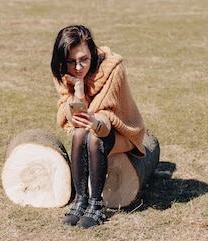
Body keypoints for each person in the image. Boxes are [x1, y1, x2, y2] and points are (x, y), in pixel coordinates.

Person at [51, 25, 145, 228]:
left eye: (84, 59)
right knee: (78, 133)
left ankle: (96, 204)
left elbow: (106, 119)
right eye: (71, 62)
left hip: (122, 131)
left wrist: (93, 122)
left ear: (92, 53)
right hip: (94, 128)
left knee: (93, 136)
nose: (78, 68)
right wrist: (78, 92)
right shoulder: (64, 74)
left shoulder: (112, 70)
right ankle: (81, 200)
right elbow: (68, 115)